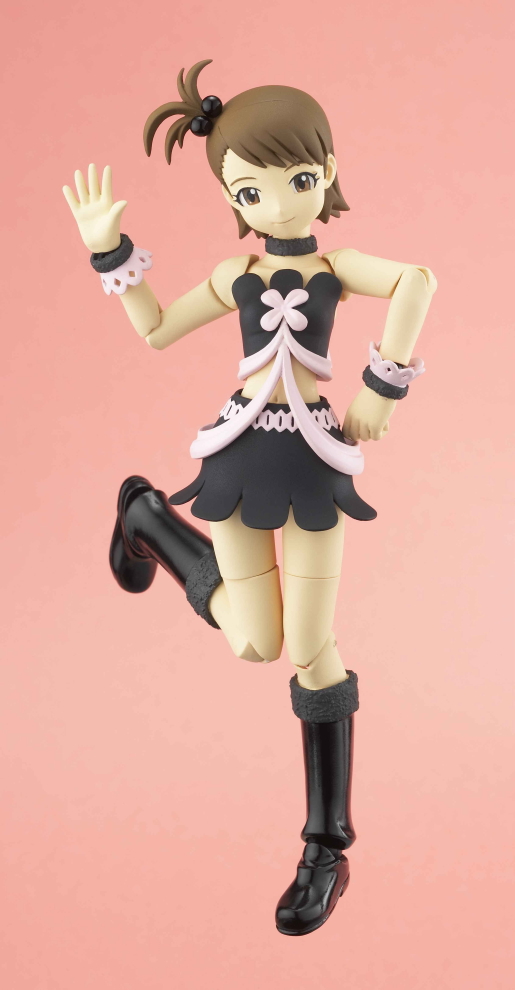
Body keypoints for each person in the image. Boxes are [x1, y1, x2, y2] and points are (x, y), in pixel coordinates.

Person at [63, 59, 436, 936]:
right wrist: (107, 250)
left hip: (313, 466)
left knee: (308, 647)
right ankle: (149, 518)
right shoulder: (236, 274)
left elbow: (416, 280)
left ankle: (324, 846)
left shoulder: (337, 265)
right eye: (250, 190)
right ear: (232, 196)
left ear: (326, 172)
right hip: (235, 457)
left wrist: (381, 387)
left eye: (297, 180)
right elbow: (157, 329)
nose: (275, 203)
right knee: (253, 644)